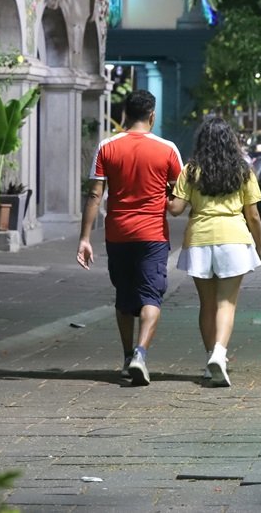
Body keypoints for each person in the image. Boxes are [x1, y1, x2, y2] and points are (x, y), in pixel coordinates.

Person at [77, 90, 182, 386]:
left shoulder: (107, 147)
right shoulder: (168, 149)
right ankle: (140, 353)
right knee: (151, 295)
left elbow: (95, 195)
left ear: (124, 114)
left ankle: (126, 357)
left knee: (124, 296)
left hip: (118, 233)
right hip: (153, 235)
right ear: (152, 115)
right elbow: (178, 198)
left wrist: (85, 238)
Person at [167, 116, 261, 387]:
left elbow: (175, 209)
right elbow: (254, 216)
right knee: (226, 303)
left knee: (207, 304)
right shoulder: (243, 171)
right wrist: (258, 245)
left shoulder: (190, 170)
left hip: (199, 238)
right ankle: (220, 354)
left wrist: (165, 195)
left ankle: (212, 357)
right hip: (234, 239)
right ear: (230, 141)